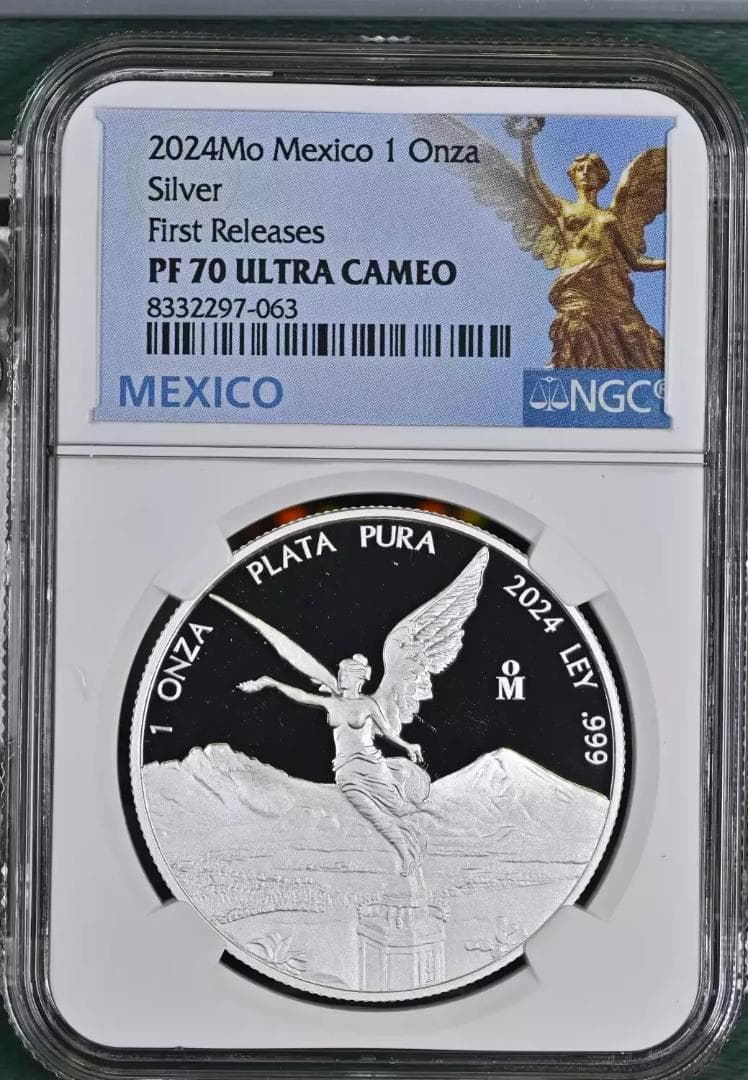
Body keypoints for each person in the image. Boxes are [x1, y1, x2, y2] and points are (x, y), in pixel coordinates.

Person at [240, 653, 431, 878]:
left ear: (358, 678)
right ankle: (406, 855)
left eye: (346, 674)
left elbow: (387, 731)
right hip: (345, 770)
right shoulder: (332, 702)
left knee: (398, 808)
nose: (341, 678)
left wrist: (408, 746)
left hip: (371, 765)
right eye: (340, 674)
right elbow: (302, 695)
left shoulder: (368, 704)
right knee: (374, 816)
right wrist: (272, 682)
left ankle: (431, 815)